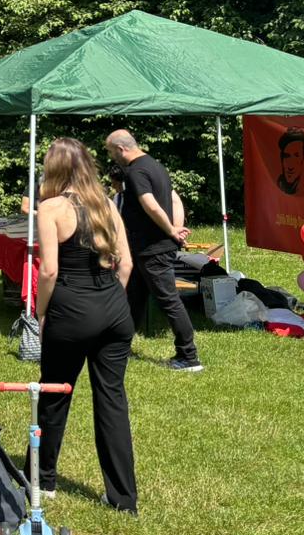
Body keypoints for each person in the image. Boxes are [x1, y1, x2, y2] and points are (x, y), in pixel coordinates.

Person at [34, 137, 138, 513]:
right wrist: (111, 302)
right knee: (112, 401)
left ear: (54, 169)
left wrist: (40, 313)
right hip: (113, 308)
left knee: (54, 394)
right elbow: (125, 263)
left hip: (71, 310)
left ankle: (44, 479)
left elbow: (49, 270)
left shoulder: (51, 208)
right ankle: (123, 497)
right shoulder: (106, 204)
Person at [105, 129, 202, 372]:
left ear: (121, 149)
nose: (111, 157)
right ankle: (121, 348)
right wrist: (176, 225)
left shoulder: (136, 171)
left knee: (169, 300)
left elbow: (150, 204)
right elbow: (174, 198)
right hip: (142, 247)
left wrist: (171, 229)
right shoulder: (156, 165)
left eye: (111, 151)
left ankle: (189, 357)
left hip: (153, 248)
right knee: (133, 298)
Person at [276, 127, 304, 196]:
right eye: (286, 156)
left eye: (296, 156)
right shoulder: (276, 185)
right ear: (281, 158)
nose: (290, 166)